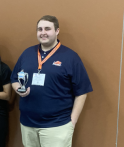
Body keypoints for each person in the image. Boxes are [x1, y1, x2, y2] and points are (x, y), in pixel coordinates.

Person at [10, 15, 93, 147]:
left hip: (57, 125)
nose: (43, 33)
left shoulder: (70, 57)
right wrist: (19, 89)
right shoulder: (27, 53)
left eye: (47, 29)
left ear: (57, 31)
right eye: (39, 29)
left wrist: (72, 121)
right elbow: (14, 79)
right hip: (28, 124)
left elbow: (82, 91)